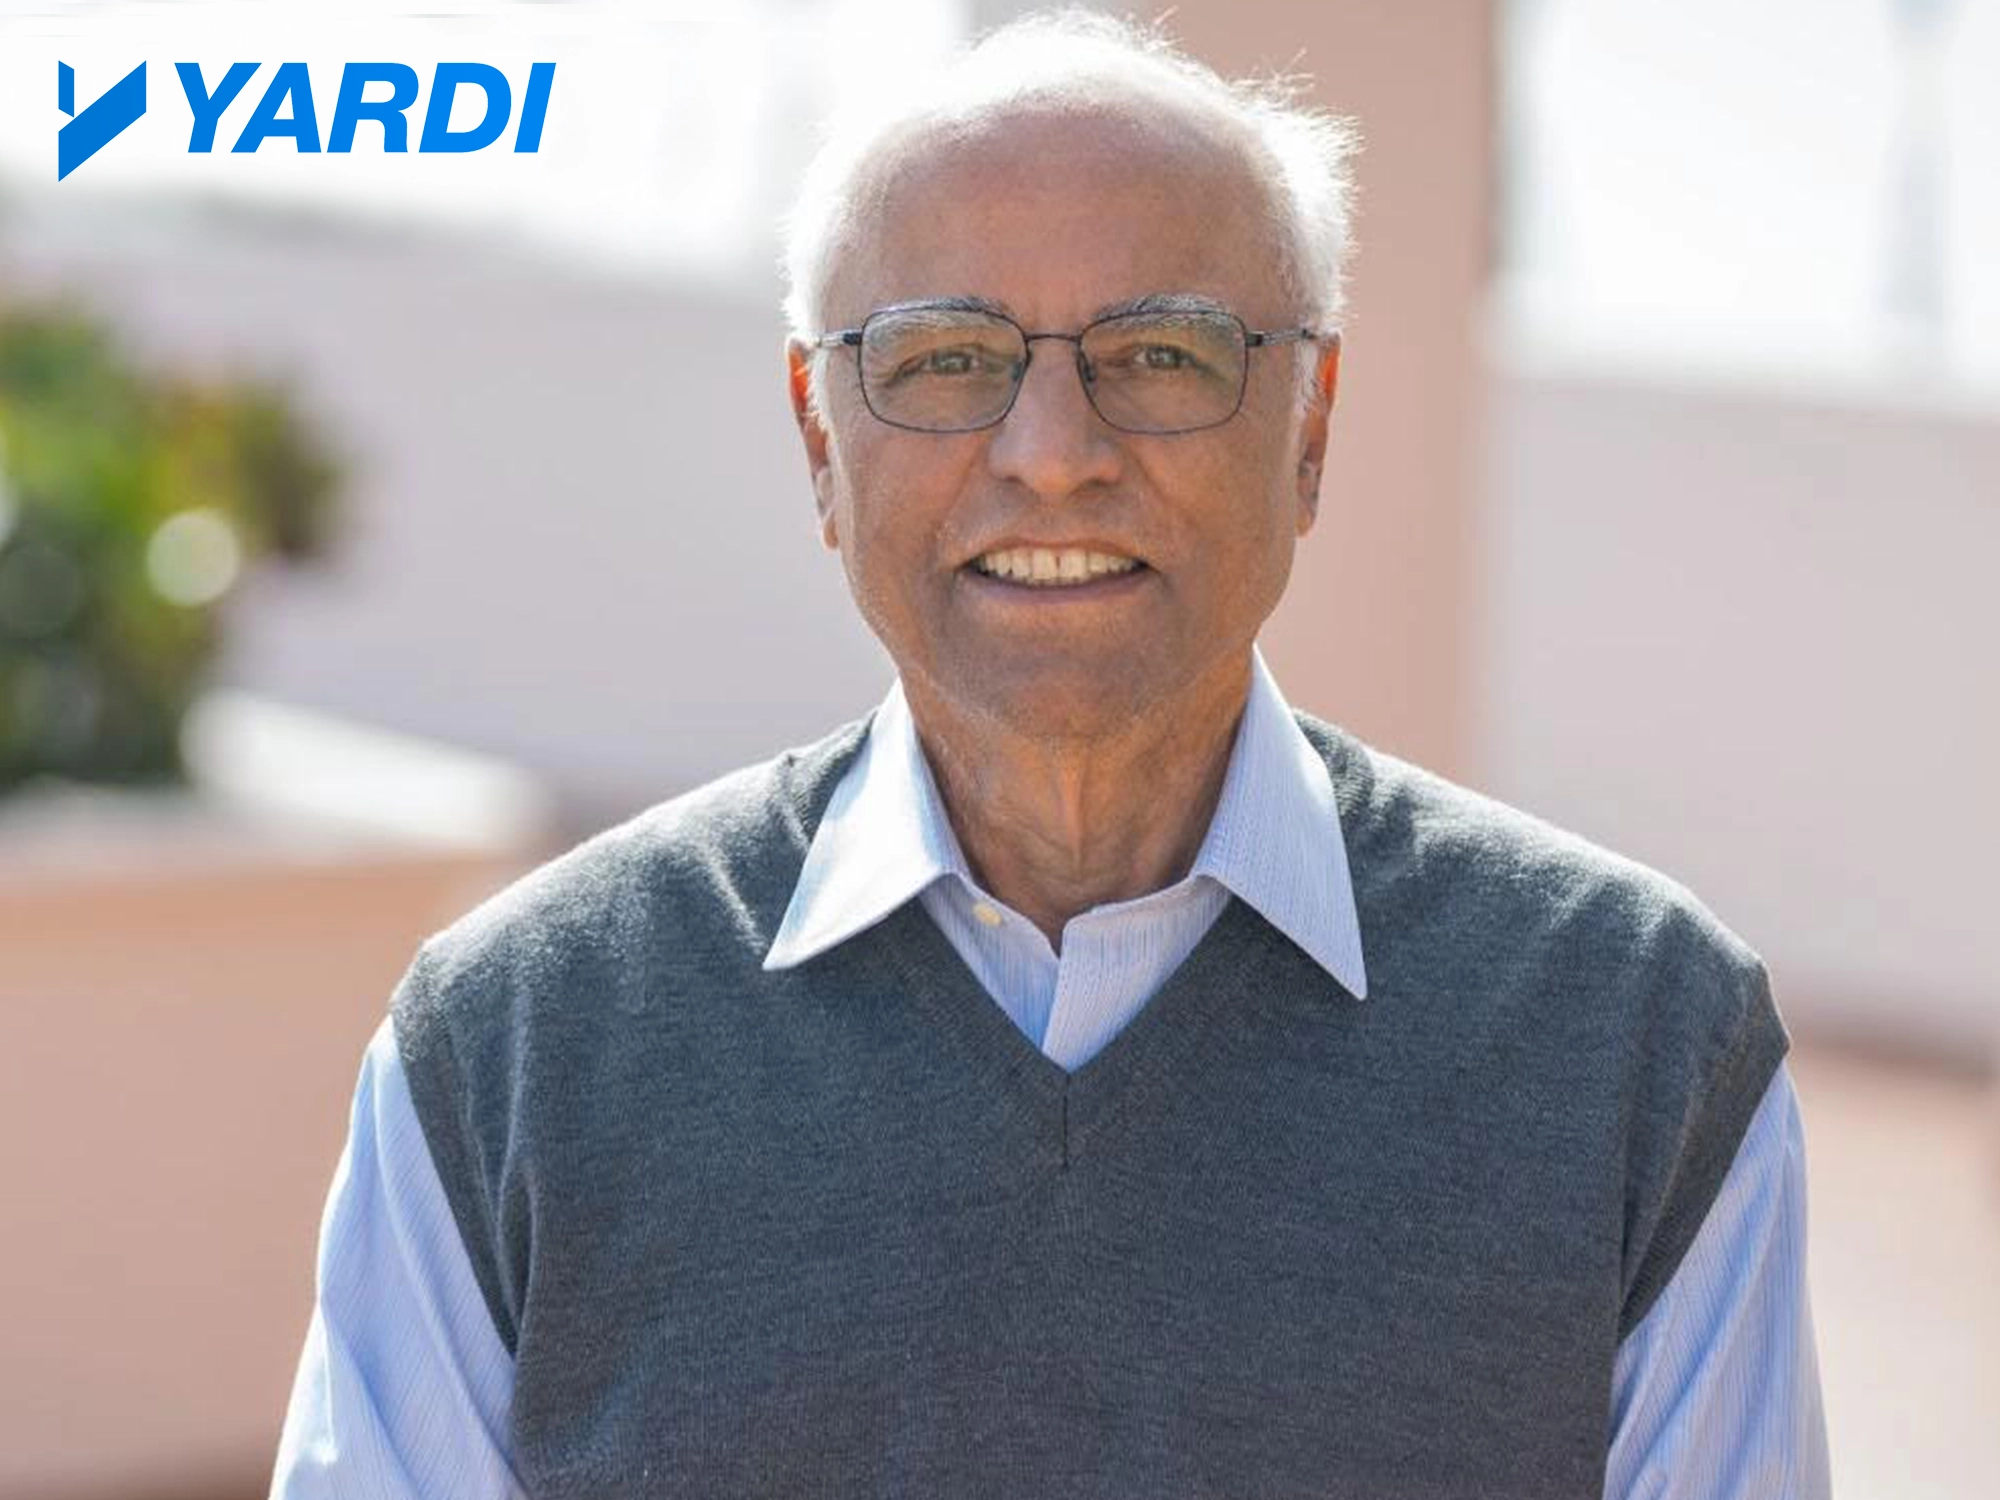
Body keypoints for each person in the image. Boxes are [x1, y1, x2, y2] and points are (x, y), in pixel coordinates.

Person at [270, 11, 1830, 1498]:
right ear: (822, 435)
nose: (1053, 452)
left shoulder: (1640, 1047)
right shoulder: (509, 1052)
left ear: (1310, 426)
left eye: (1162, 353)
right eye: (948, 358)